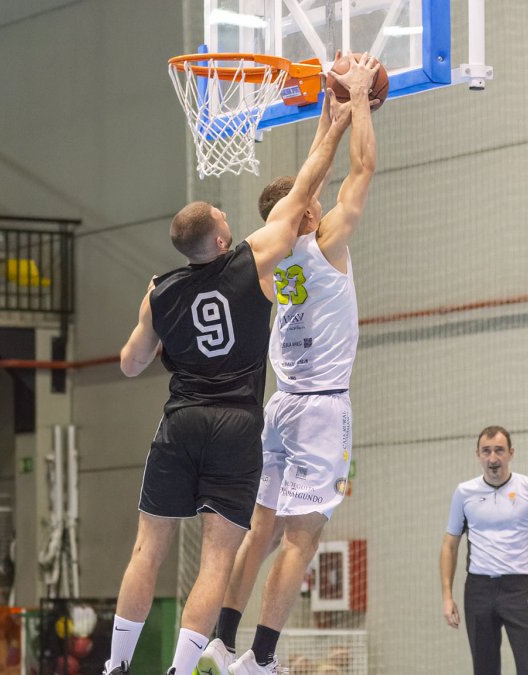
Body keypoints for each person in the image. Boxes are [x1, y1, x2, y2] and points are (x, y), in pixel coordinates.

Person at [103, 73, 355, 675]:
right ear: (222, 237)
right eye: (222, 212)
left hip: (180, 419)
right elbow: (310, 185)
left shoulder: (158, 293)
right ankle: (185, 666)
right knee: (218, 559)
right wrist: (339, 116)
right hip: (239, 423)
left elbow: (130, 364)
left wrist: (163, 339)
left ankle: (116, 667)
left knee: (148, 548)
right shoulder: (252, 261)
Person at [199, 52, 381, 675]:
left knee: (261, 528)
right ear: (306, 213)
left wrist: (328, 117)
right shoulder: (327, 241)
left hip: (278, 405)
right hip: (322, 407)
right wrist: (357, 102)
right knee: (303, 537)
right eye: (313, 202)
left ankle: (222, 643)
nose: (320, 202)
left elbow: (315, 177)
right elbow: (363, 166)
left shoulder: (266, 261)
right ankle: (263, 658)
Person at [441, 426, 528, 675]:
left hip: (517, 589)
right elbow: (449, 545)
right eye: (486, 451)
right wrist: (446, 596)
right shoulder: (464, 493)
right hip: (478, 591)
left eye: (499, 450)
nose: (493, 458)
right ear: (478, 454)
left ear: (511, 453)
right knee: (485, 670)